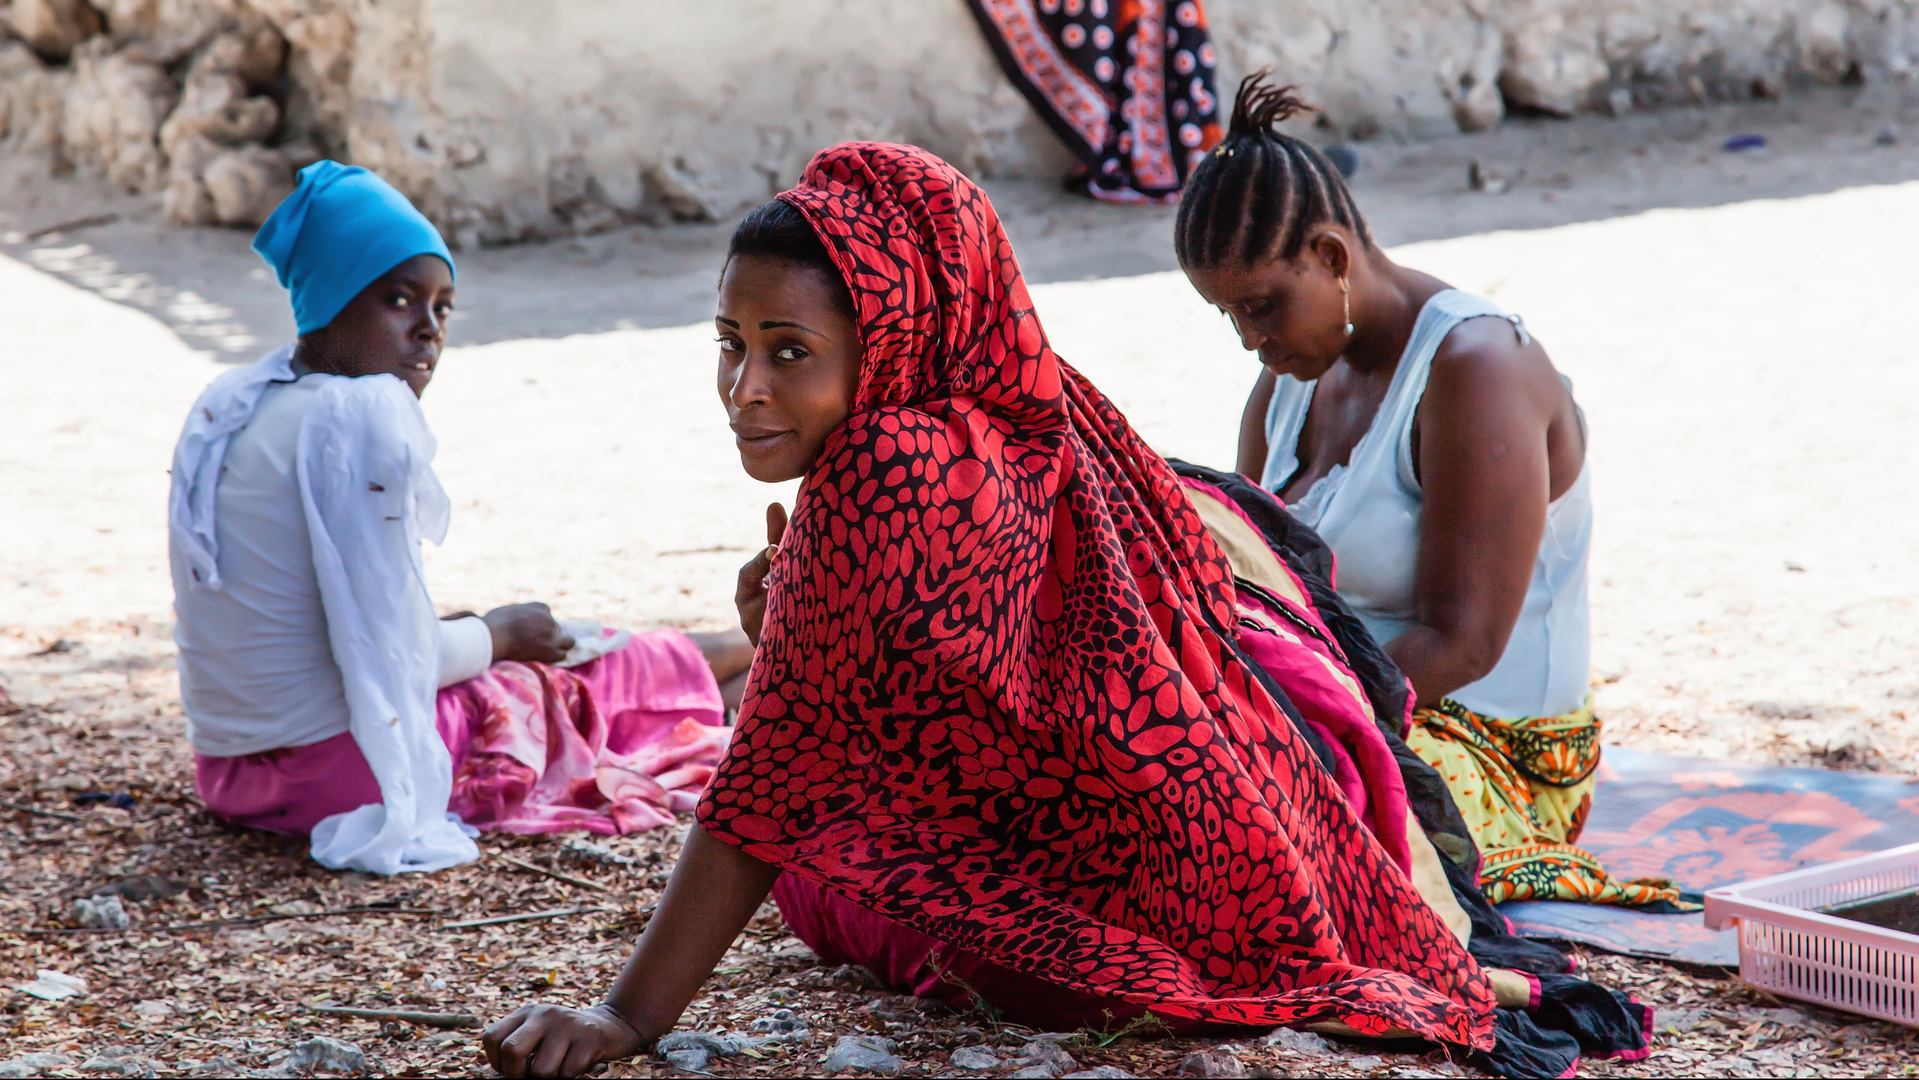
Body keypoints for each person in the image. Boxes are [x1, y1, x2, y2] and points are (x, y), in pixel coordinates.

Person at [483, 143, 1653, 1079]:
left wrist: (623, 1016)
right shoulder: (1033, 406)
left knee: (823, 881)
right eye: (730, 346)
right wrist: (801, 616)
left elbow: (773, 786)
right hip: (1251, 849)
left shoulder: (885, 469)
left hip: (1155, 921)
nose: (745, 388)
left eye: (789, 352)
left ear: (889, 335)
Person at [1172, 74, 1683, 910]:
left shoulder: (1475, 367)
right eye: (1228, 316)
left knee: (1253, 822)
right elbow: (1253, 579)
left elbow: (1461, 640)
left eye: (1260, 306)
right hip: (1337, 705)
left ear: (1332, 258)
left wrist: (1278, 716)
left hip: (1488, 752)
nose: (1248, 340)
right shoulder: (1289, 381)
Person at [167, 161, 753, 874]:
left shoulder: (234, 404)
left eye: (442, 308)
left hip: (234, 777)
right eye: (398, 299)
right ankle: (764, 647)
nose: (427, 330)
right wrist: (497, 634)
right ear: (331, 300)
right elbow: (404, 659)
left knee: (572, 664)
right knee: (567, 674)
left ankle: (758, 660)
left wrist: (473, 634)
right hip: (344, 778)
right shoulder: (356, 415)